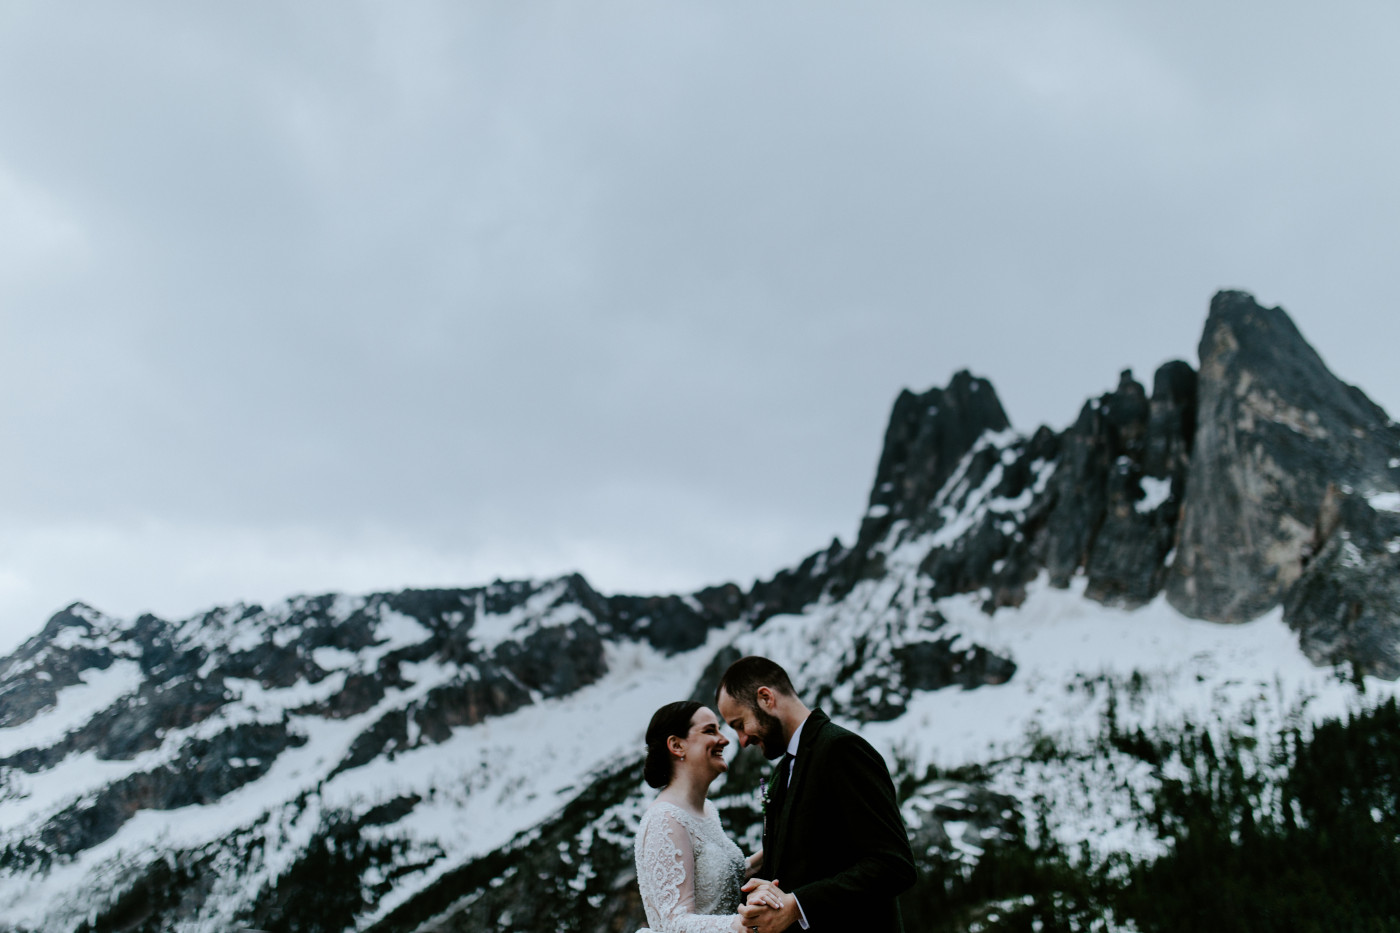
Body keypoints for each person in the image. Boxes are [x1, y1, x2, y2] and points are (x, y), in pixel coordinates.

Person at [715, 656, 916, 933]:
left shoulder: (841, 750)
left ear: (765, 698)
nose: (743, 740)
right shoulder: (783, 771)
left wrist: (796, 905)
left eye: (740, 724)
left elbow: (893, 865)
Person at [634, 700, 778, 933]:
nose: (725, 739)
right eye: (710, 730)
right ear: (677, 745)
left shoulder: (707, 810)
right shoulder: (665, 819)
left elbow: (722, 874)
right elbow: (675, 923)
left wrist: (781, 840)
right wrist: (744, 924)